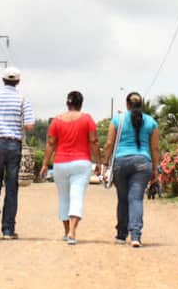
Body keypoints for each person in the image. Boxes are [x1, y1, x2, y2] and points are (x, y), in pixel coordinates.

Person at [39, 90, 102, 245]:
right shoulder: (87, 119)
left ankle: (67, 231)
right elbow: (94, 141)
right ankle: (73, 232)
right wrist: (99, 162)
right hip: (81, 163)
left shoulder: (56, 121)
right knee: (77, 196)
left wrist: (45, 163)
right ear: (81, 104)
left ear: (67, 103)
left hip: (60, 163)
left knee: (64, 198)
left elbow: (51, 143)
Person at [0, 66, 34, 239]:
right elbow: (30, 126)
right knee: (11, 186)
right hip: (14, 146)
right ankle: (8, 230)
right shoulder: (23, 99)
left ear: (2, 80)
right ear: (18, 81)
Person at [103, 92, 159, 247]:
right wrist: (155, 169)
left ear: (127, 104)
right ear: (141, 104)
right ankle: (135, 236)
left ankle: (121, 235)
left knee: (122, 199)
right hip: (143, 163)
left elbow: (109, 144)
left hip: (120, 162)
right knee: (136, 199)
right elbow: (155, 148)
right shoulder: (151, 122)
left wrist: (105, 164)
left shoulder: (117, 120)